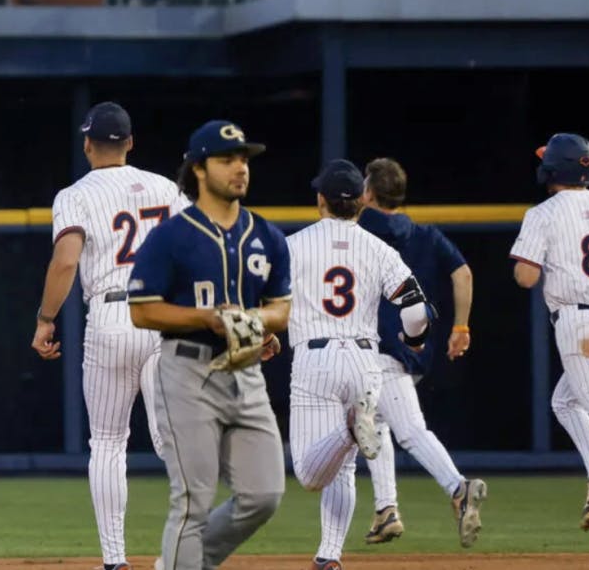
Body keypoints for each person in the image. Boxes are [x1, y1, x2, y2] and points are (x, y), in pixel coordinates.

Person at [286, 161, 482, 569]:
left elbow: (270, 302)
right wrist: (414, 340)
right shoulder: (380, 249)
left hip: (315, 358)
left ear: (320, 200)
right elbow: (415, 313)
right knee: (343, 463)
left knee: (310, 473)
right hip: (365, 359)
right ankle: (329, 556)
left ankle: (349, 431)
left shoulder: (295, 244)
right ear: (360, 202)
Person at [126, 120, 290, 570]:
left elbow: (281, 308)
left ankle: (181, 563)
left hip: (247, 372)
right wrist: (205, 317)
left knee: (264, 495)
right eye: (227, 159)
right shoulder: (171, 236)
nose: (240, 168)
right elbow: (141, 310)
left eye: (243, 159)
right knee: (193, 502)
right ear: (199, 169)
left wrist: (254, 319)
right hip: (187, 371)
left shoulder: (267, 237)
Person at [33, 102, 184, 570]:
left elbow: (65, 261)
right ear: (131, 143)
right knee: (175, 440)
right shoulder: (165, 188)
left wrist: (45, 318)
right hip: (162, 315)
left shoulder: (74, 194)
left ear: (86, 144)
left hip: (112, 315)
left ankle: (115, 561)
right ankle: (186, 549)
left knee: (108, 441)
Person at [356, 158, 482, 546]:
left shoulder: (360, 231)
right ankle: (386, 510)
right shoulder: (425, 234)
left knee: (408, 430)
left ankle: (458, 489)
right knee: (373, 424)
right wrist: (461, 326)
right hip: (414, 349)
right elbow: (462, 272)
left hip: (377, 349)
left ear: (369, 193)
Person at [512, 134, 589, 531]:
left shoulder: (542, 214)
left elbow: (526, 277)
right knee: (565, 402)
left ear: (551, 169)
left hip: (580, 327)